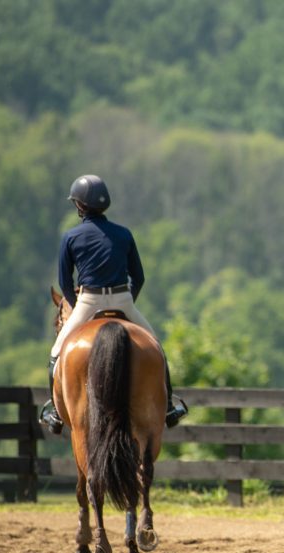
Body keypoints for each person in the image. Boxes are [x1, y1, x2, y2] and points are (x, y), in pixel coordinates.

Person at [39, 174, 188, 434]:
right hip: (122, 297)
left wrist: (76, 306)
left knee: (56, 352)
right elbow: (138, 277)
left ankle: (55, 411)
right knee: (157, 349)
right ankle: (168, 409)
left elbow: (64, 282)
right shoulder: (123, 233)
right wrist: (126, 305)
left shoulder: (71, 237)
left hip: (88, 301)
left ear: (79, 206)